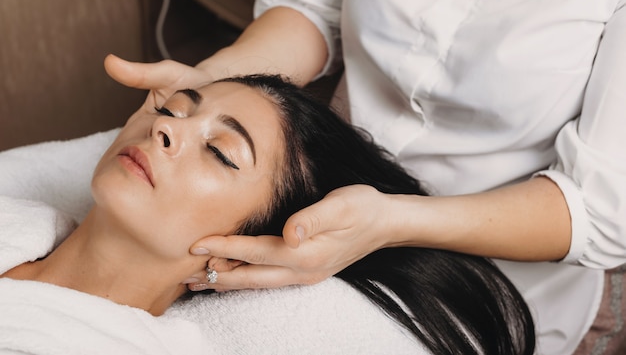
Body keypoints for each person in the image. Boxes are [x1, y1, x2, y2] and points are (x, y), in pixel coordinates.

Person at [104, 0, 626, 354]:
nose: (164, 129)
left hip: (495, 284)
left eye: (221, 152)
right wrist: (207, 89)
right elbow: (313, 2)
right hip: (322, 203)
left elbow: (598, 209)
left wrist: (391, 222)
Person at [0, 75, 535, 354]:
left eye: (221, 152)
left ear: (245, 252)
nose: (168, 128)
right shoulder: (18, 221)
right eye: (172, 108)